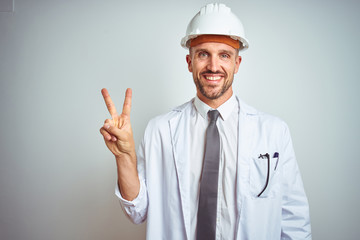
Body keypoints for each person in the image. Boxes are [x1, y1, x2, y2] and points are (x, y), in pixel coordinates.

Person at [100, 3, 311, 240]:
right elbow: (137, 212)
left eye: (224, 55)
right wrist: (124, 157)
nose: (213, 66)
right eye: (203, 54)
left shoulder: (274, 132)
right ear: (189, 62)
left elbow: (294, 222)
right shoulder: (159, 130)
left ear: (236, 64)